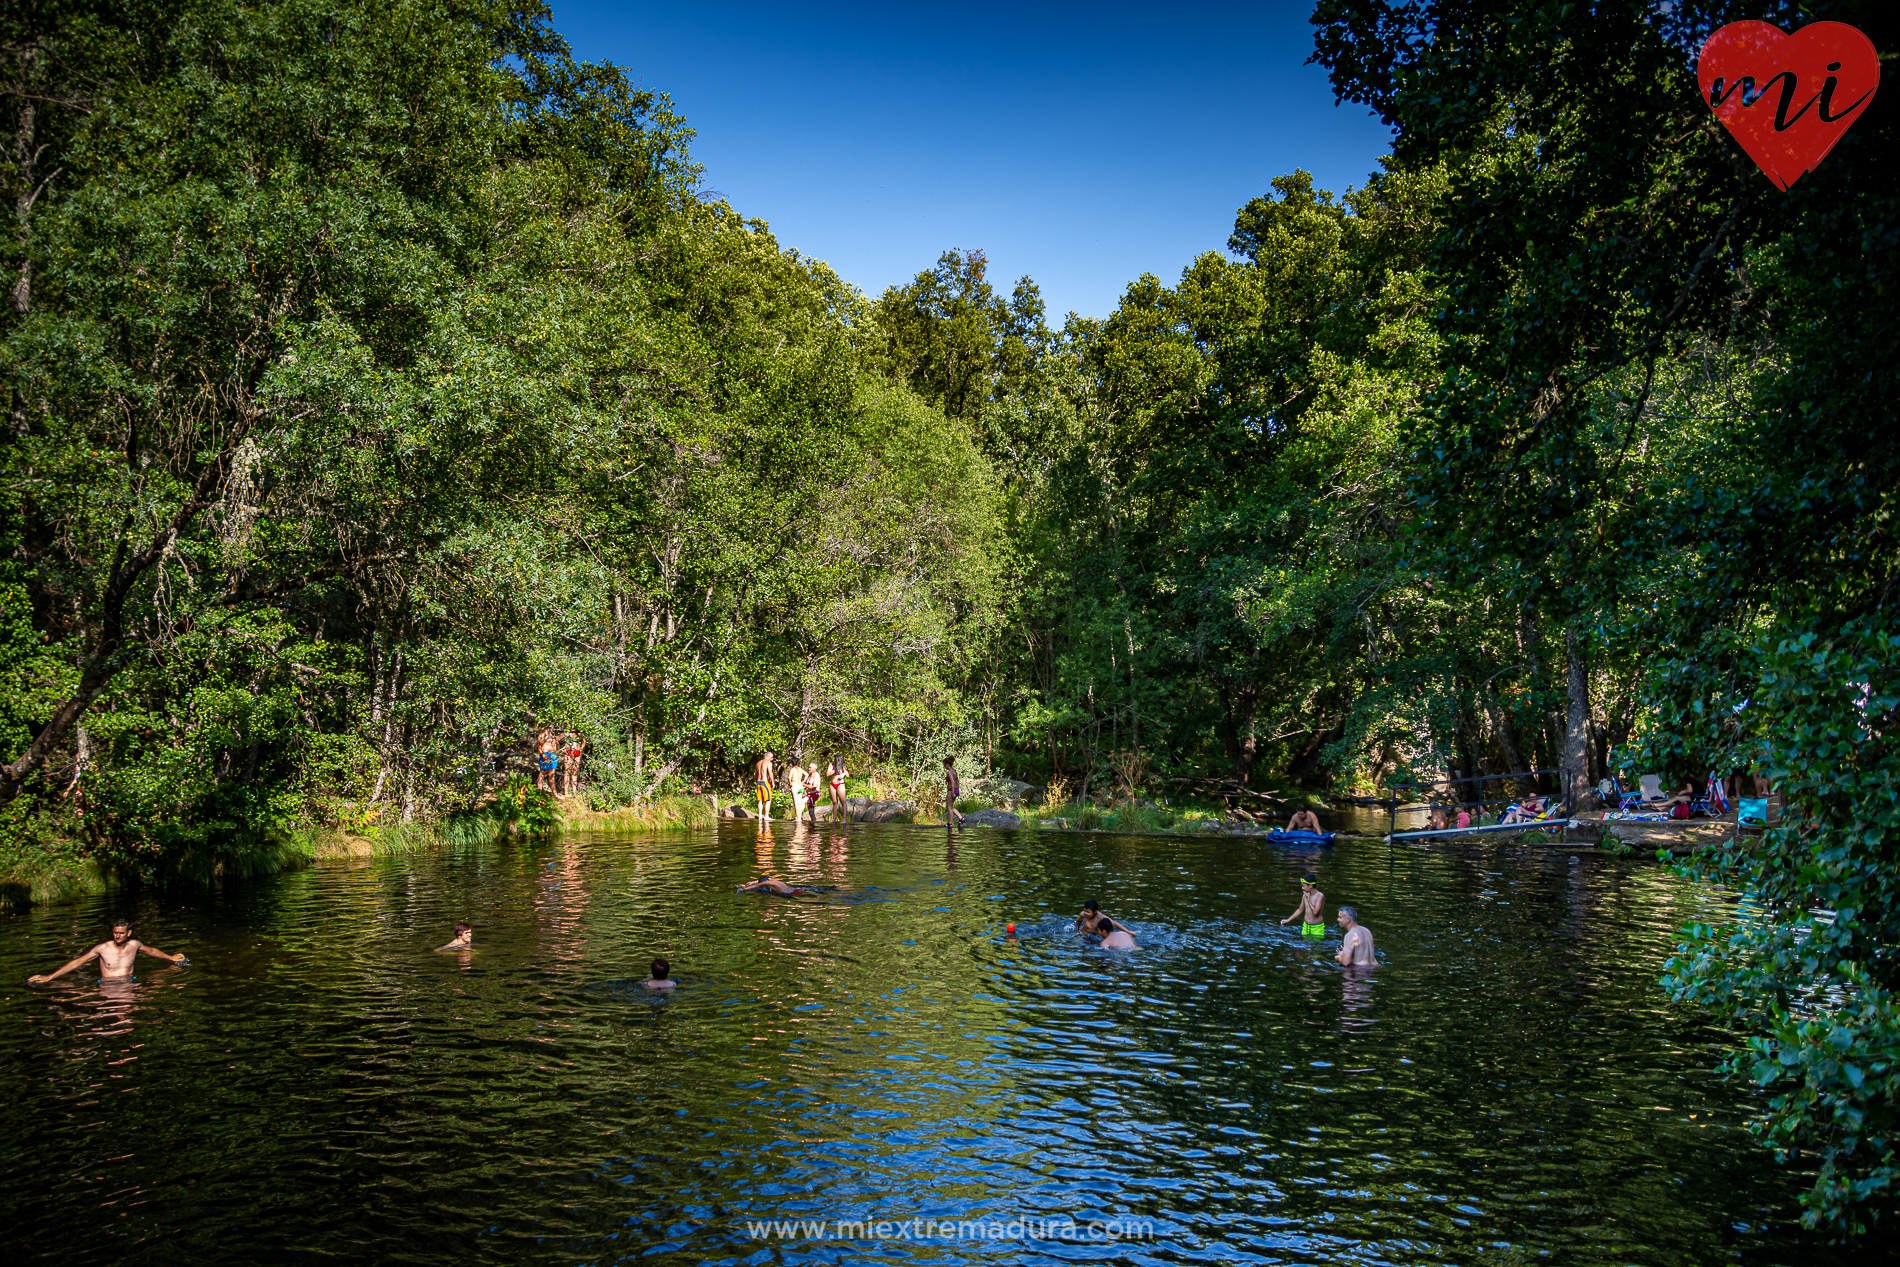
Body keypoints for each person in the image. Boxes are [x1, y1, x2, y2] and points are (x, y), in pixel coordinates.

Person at [27, 919, 187, 984]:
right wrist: (49, 977)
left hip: (130, 982)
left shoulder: (135, 945)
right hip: (108, 985)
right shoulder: (103, 948)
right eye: (115, 933)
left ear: (128, 933)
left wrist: (170, 958)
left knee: (163, 980)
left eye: (121, 933)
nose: (118, 936)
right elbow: (78, 962)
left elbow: (151, 951)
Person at [558, 731, 585, 798]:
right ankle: (566, 792)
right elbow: (557, 739)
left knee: (574, 773)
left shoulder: (578, 733)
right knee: (567, 772)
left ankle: (574, 792)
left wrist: (581, 749)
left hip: (577, 753)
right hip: (568, 753)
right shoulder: (566, 733)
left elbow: (584, 740)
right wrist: (560, 750)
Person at [825, 753, 851, 821]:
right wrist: (834, 771)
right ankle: (834, 819)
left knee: (843, 802)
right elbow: (827, 774)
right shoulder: (831, 765)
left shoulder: (843, 766)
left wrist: (843, 774)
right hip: (833, 784)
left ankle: (844, 819)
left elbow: (848, 776)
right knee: (834, 802)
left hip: (840, 784)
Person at [754, 750, 777, 821]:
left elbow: (755, 774)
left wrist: (757, 779)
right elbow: (770, 772)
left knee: (760, 800)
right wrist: (773, 782)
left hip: (758, 782)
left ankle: (760, 816)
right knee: (768, 800)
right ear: (768, 757)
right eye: (771, 757)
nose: (771, 759)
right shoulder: (768, 763)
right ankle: (766, 816)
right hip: (765, 782)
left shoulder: (758, 763)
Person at [943, 754, 964, 827]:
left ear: (948, 764)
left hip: (951, 791)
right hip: (955, 790)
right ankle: (961, 818)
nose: (944, 766)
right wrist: (957, 791)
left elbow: (952, 782)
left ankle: (949, 823)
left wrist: (952, 793)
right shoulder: (954, 771)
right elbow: (957, 782)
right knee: (951, 806)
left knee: (949, 807)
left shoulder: (950, 772)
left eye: (944, 765)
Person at [535, 725, 558, 793]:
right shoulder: (543, 733)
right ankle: (539, 791)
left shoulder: (553, 734)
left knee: (552, 774)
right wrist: (543, 755)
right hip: (545, 754)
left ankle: (554, 793)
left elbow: (556, 742)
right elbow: (538, 745)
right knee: (542, 773)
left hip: (553, 755)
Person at [737, 876, 814, 896]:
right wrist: (752, 882)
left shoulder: (768, 883)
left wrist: (743, 890)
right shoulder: (772, 881)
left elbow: (756, 886)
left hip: (791, 893)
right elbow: (758, 882)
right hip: (795, 889)